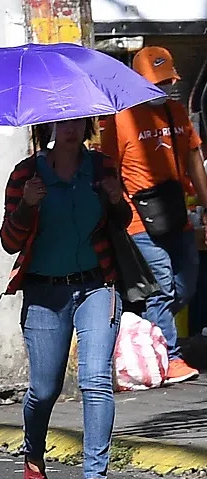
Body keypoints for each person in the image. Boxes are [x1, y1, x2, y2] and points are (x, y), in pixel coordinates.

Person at [0, 118, 131, 479]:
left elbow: (121, 223)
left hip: (97, 285)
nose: (70, 129)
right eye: (62, 121)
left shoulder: (103, 167)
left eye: (77, 121)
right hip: (44, 292)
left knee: (95, 379)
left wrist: (115, 199)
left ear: (87, 125)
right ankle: (34, 456)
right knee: (44, 390)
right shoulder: (26, 173)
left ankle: (95, 474)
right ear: (50, 126)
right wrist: (26, 205)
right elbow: (9, 241)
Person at [100, 46, 207, 384]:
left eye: (164, 83)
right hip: (137, 216)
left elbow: (194, 161)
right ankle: (169, 358)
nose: (159, 91)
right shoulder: (119, 121)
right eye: (153, 84)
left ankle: (145, 326)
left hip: (174, 211)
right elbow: (109, 171)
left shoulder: (176, 112)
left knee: (186, 283)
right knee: (161, 283)